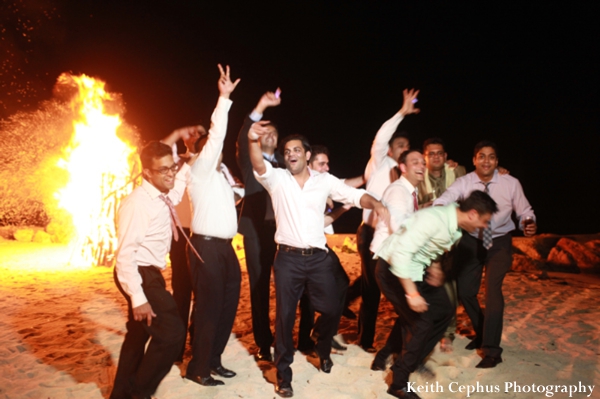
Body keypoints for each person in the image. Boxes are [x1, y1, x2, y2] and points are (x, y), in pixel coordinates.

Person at [248, 124, 389, 398]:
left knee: (334, 307)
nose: (291, 154)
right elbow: (258, 163)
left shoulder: (324, 181)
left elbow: (355, 195)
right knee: (285, 319)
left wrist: (378, 204)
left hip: (318, 258)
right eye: (287, 151)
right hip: (287, 259)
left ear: (307, 155)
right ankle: (284, 376)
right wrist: (253, 138)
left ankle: (322, 347)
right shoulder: (277, 178)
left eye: (296, 150)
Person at [375, 190, 498, 399]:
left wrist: (436, 266)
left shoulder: (455, 226)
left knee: (444, 309)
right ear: (473, 214)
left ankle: (413, 359)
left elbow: (430, 246)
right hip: (392, 270)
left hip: (417, 269)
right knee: (420, 323)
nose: (484, 227)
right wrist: (412, 294)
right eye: (484, 221)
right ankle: (398, 383)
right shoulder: (433, 219)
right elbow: (400, 255)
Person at [433, 140, 537, 368]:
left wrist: (528, 222)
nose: (486, 160)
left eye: (491, 157)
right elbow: (447, 197)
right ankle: (483, 331)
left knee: (492, 291)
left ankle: (492, 350)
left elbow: (525, 211)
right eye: (482, 156)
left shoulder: (511, 183)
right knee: (465, 290)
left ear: (497, 161)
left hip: (500, 241)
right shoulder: (465, 182)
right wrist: (439, 210)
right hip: (472, 241)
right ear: (474, 160)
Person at [110, 136, 191, 399]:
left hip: (149, 272)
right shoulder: (138, 204)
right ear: (147, 172)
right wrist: (138, 298)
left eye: (172, 167)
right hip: (138, 272)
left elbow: (177, 189)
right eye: (163, 170)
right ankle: (139, 393)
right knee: (172, 333)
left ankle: (121, 394)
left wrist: (190, 160)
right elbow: (124, 256)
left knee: (138, 334)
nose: (170, 174)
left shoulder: (162, 193)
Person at [183, 65, 243, 387]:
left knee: (228, 304)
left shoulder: (220, 176)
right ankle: (197, 367)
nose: (216, 150)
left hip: (225, 248)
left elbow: (236, 198)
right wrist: (224, 99)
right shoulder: (202, 170)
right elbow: (217, 133)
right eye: (211, 148)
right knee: (207, 307)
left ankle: (214, 360)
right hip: (204, 246)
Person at [357, 88, 419, 352]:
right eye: (400, 146)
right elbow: (380, 139)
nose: (404, 149)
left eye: (407, 146)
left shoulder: (408, 176)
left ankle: (403, 338)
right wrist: (402, 113)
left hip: (397, 238)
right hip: (372, 234)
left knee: (393, 286)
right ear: (392, 150)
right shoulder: (379, 164)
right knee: (372, 290)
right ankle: (366, 341)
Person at [297, 144, 362, 354]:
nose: (327, 167)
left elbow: (348, 184)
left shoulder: (324, 182)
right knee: (309, 297)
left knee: (340, 283)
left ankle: (322, 332)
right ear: (309, 164)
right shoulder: (302, 185)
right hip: (304, 246)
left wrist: (369, 174)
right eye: (321, 163)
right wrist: (342, 208)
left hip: (319, 244)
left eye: (327, 163)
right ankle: (311, 339)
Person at [236, 89, 284, 362]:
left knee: (286, 286)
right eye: (264, 132)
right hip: (256, 231)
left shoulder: (284, 166)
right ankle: (264, 343)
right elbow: (244, 137)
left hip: (282, 232)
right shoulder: (249, 162)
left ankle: (285, 337)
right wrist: (261, 105)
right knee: (259, 286)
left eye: (274, 134)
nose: (269, 136)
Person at [365, 149, 425, 367]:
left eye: (423, 162)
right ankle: (403, 365)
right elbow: (399, 226)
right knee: (416, 318)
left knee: (409, 314)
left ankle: (383, 358)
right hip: (390, 262)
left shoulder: (409, 192)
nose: (421, 166)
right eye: (415, 162)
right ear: (403, 167)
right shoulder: (399, 191)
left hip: (396, 260)